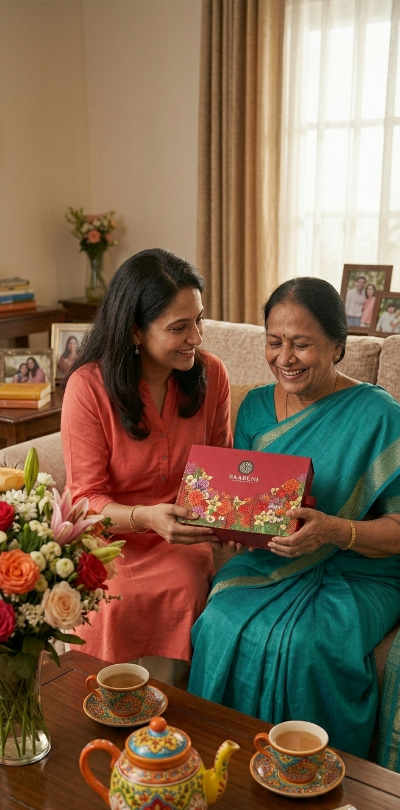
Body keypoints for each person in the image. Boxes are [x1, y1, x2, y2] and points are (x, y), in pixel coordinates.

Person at [188, 277, 400, 758]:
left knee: (306, 645)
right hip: (272, 560)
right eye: (274, 341)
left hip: (358, 568)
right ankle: (223, 758)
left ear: (338, 346)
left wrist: (334, 531)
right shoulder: (255, 408)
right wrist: (234, 529)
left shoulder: (380, 415)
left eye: (301, 344)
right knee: (218, 619)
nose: (285, 357)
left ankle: (308, 772)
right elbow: (246, 501)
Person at [61, 248, 232, 685]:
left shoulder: (213, 375)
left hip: (180, 534)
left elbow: (222, 472)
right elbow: (84, 500)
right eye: (179, 327)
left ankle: (169, 710)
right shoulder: (88, 387)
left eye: (199, 320)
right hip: (105, 534)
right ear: (135, 330)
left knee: (186, 585)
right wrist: (146, 517)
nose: (196, 337)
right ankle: (102, 702)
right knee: (113, 596)